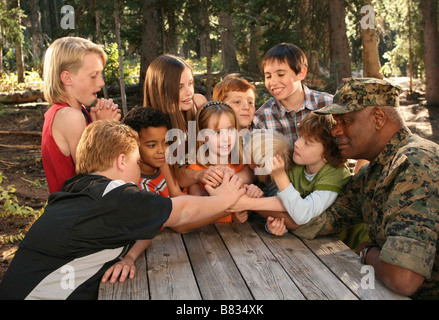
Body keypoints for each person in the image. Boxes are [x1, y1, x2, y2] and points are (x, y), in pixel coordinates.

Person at [0, 120, 244, 300]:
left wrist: (128, 256)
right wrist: (226, 200)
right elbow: (180, 211)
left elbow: (148, 224)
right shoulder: (114, 195)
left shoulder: (79, 189)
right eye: (136, 162)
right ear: (121, 162)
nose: (138, 170)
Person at [290, 78, 439, 299]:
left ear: (378, 118)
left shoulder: (414, 163)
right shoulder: (372, 173)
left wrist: (368, 253)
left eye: (345, 121)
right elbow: (317, 220)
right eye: (335, 122)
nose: (335, 131)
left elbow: (403, 278)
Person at [231, 114, 353, 237]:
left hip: (345, 243)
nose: (297, 143)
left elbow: (302, 215)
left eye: (308, 142)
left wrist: (247, 203)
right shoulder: (297, 165)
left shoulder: (336, 174)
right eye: (299, 137)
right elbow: (286, 202)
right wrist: (277, 226)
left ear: (327, 154)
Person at [41, 36, 121, 194]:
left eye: (100, 75)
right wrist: (104, 128)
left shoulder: (77, 112)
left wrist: (95, 124)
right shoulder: (69, 117)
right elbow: (93, 175)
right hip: (79, 212)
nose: (101, 83)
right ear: (67, 78)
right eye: (93, 76)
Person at [184, 101, 261, 229]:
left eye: (231, 130)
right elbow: (199, 212)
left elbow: (243, 208)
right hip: (205, 236)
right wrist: (232, 213)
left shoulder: (240, 165)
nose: (226, 138)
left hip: (234, 237)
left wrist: (251, 196)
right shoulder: (197, 170)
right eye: (217, 132)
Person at [143, 54, 207, 195]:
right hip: (181, 198)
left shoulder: (198, 104)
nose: (189, 92)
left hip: (206, 181)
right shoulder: (155, 130)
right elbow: (175, 192)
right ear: (161, 90)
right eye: (179, 87)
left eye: (190, 83)